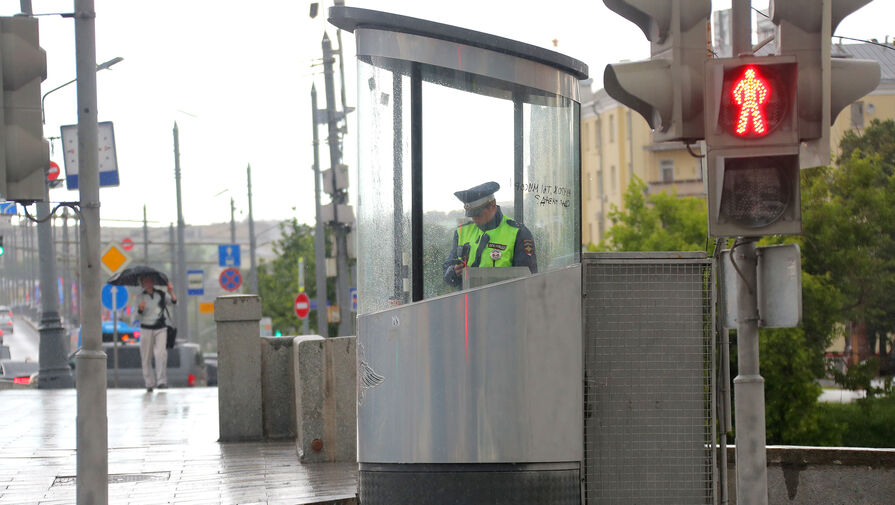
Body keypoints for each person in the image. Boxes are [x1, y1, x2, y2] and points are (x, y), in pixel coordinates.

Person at [443, 181, 537, 288]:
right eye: (472, 216)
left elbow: (528, 278)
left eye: (478, 214)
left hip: (503, 296)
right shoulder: (462, 231)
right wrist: (453, 272)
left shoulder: (517, 232)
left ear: (493, 205)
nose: (475, 219)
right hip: (468, 297)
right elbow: (447, 271)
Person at [134, 276, 177, 392]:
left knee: (161, 354)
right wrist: (140, 309)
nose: (148, 283)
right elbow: (136, 317)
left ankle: (161, 381)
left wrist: (170, 291)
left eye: (150, 280)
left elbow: (173, 302)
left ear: (153, 282)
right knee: (146, 356)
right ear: (142, 284)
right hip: (146, 328)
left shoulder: (161, 294)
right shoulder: (139, 297)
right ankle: (149, 383)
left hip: (160, 327)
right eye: (146, 281)